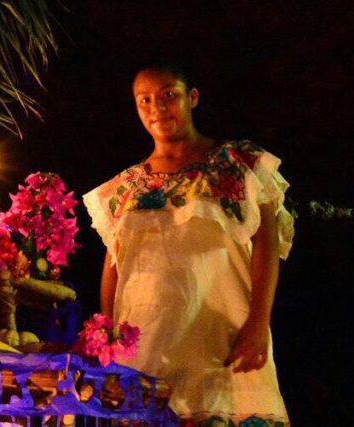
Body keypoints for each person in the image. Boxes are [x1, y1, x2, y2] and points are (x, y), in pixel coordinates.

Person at [83, 63, 295, 426]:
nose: (157, 108)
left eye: (169, 95)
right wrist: (110, 336)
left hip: (222, 339)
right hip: (147, 346)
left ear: (192, 98)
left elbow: (266, 244)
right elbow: (114, 265)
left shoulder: (239, 163)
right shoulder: (124, 188)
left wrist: (259, 323)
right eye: (144, 100)